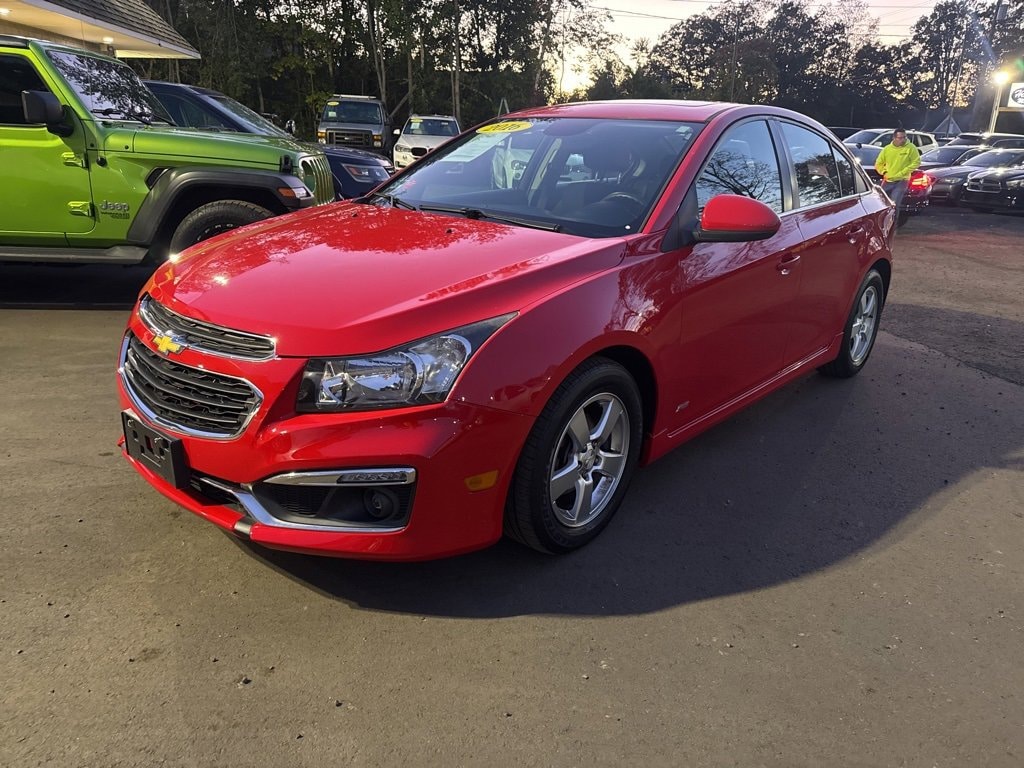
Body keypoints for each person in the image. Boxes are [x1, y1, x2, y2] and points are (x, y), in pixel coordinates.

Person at [874, 129, 920, 211]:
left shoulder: (910, 148)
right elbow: (878, 163)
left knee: (894, 204)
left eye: (904, 137)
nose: (903, 140)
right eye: (900, 138)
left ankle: (894, 222)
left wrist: (903, 172)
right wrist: (884, 172)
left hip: (902, 180)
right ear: (894, 138)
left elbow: (916, 162)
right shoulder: (887, 149)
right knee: (880, 202)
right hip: (888, 179)